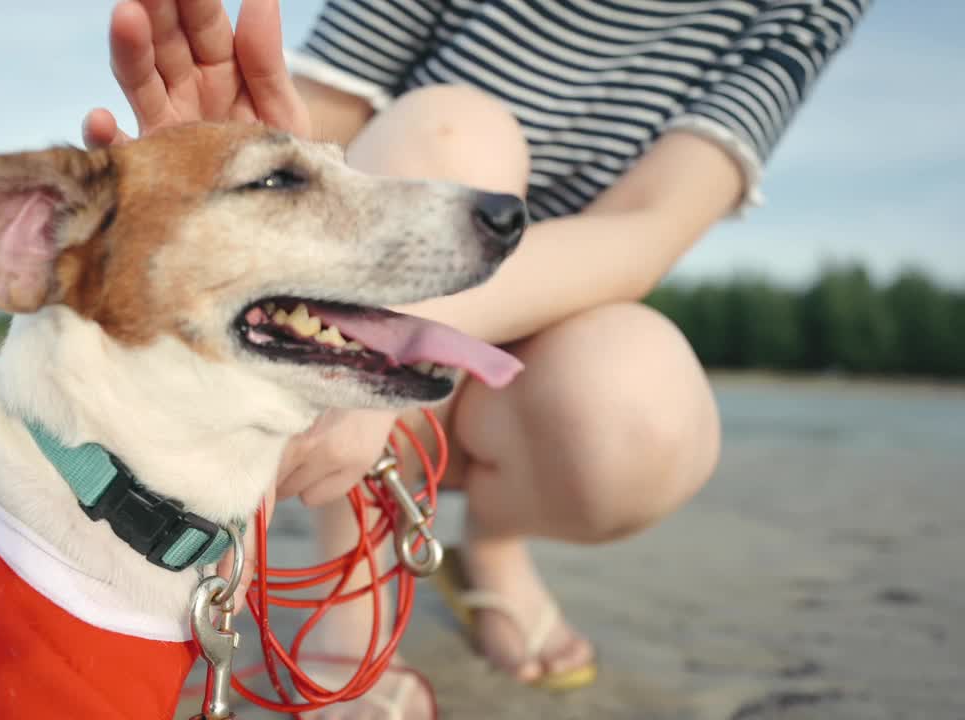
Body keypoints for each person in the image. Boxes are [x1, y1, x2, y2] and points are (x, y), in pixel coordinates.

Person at [82, 1, 869, 716]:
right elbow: (328, 113)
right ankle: (351, 588)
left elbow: (649, 227)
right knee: (459, 125)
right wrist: (221, 164)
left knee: (644, 417)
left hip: (527, 338)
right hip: (361, 272)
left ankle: (489, 542)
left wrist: (382, 344)